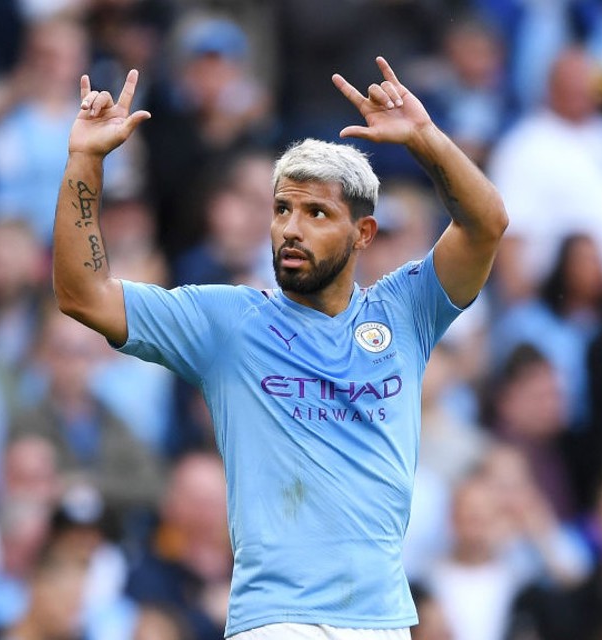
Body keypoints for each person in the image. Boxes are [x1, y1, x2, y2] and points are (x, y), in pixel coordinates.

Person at [52, 56, 507, 638]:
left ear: (363, 234)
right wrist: (85, 159)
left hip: (383, 622)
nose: (291, 228)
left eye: (316, 212)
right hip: (277, 621)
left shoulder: (406, 310)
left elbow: (487, 223)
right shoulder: (225, 322)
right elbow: (81, 293)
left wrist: (425, 139)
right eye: (282, 209)